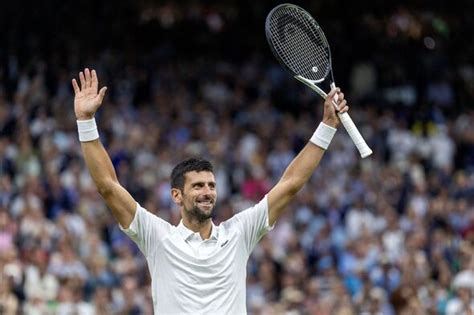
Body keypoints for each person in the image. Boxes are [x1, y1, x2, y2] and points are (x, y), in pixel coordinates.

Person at [71, 68, 349, 314]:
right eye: (198, 186)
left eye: (211, 185)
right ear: (176, 195)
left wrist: (326, 126)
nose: (207, 192)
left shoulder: (239, 233)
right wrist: (86, 121)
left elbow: (291, 184)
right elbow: (108, 187)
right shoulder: (158, 237)